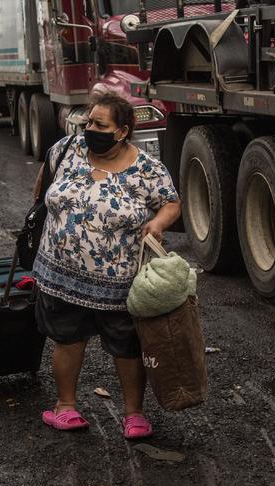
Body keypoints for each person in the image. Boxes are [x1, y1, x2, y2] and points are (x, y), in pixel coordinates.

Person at [32, 92, 181, 439]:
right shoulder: (66, 150)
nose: (90, 130)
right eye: (88, 123)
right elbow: (41, 188)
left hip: (118, 283)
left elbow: (171, 203)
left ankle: (134, 415)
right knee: (67, 340)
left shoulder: (147, 169)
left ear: (122, 131)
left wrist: (158, 223)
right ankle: (65, 407)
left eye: (100, 125)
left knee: (126, 346)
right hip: (61, 275)